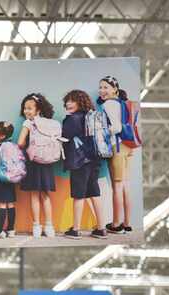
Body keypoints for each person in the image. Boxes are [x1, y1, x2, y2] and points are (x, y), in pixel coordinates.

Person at [61, 90, 107, 240]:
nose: (68, 103)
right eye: (67, 101)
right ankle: (101, 228)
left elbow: (64, 136)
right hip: (94, 159)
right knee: (94, 193)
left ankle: (76, 230)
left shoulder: (73, 119)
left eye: (72, 100)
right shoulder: (90, 117)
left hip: (79, 161)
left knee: (78, 195)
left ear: (80, 102)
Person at [17, 93, 60, 238]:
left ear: (38, 109)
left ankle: (36, 226)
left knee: (34, 195)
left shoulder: (28, 123)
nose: (26, 111)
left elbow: (20, 142)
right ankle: (49, 226)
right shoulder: (50, 123)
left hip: (34, 161)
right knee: (45, 195)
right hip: (47, 161)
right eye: (25, 109)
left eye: (29, 108)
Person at [97, 75, 133, 234]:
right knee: (125, 185)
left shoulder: (109, 104)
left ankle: (116, 224)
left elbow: (117, 127)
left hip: (116, 145)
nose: (102, 90)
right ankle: (127, 223)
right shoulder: (122, 104)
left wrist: (104, 132)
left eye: (105, 87)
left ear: (114, 89)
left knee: (116, 186)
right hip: (127, 146)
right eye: (101, 87)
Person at [0, 121, 21, 237]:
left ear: (2, 136)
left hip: (0, 178)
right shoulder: (12, 146)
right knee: (10, 204)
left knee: (2, 204)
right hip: (11, 178)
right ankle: (11, 230)